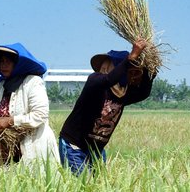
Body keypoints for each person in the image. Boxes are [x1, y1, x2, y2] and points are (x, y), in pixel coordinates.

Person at [58, 38, 155, 174]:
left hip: (96, 150)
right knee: (80, 185)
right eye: (128, 69)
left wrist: (151, 72)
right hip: (74, 146)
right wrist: (131, 57)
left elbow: (143, 93)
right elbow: (109, 79)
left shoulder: (123, 92)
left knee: (97, 186)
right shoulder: (95, 82)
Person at [0, 42, 60, 166]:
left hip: (32, 146)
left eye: (8, 61)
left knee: (35, 182)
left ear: (18, 63)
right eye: (2, 61)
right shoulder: (1, 86)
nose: (4, 65)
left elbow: (40, 115)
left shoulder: (33, 82)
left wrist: (10, 121)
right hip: (6, 149)